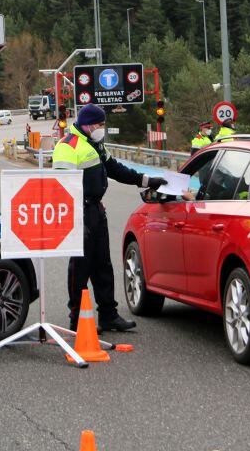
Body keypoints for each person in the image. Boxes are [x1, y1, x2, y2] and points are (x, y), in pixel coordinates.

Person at [53, 103, 165, 332]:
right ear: (88, 124)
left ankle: (108, 315)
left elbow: (115, 169)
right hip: (80, 211)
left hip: (96, 210)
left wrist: (145, 180)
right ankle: (77, 319)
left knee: (103, 264)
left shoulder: (95, 144)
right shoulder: (67, 146)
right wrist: (75, 220)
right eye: (100, 124)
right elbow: (61, 187)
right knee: (80, 267)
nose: (102, 128)